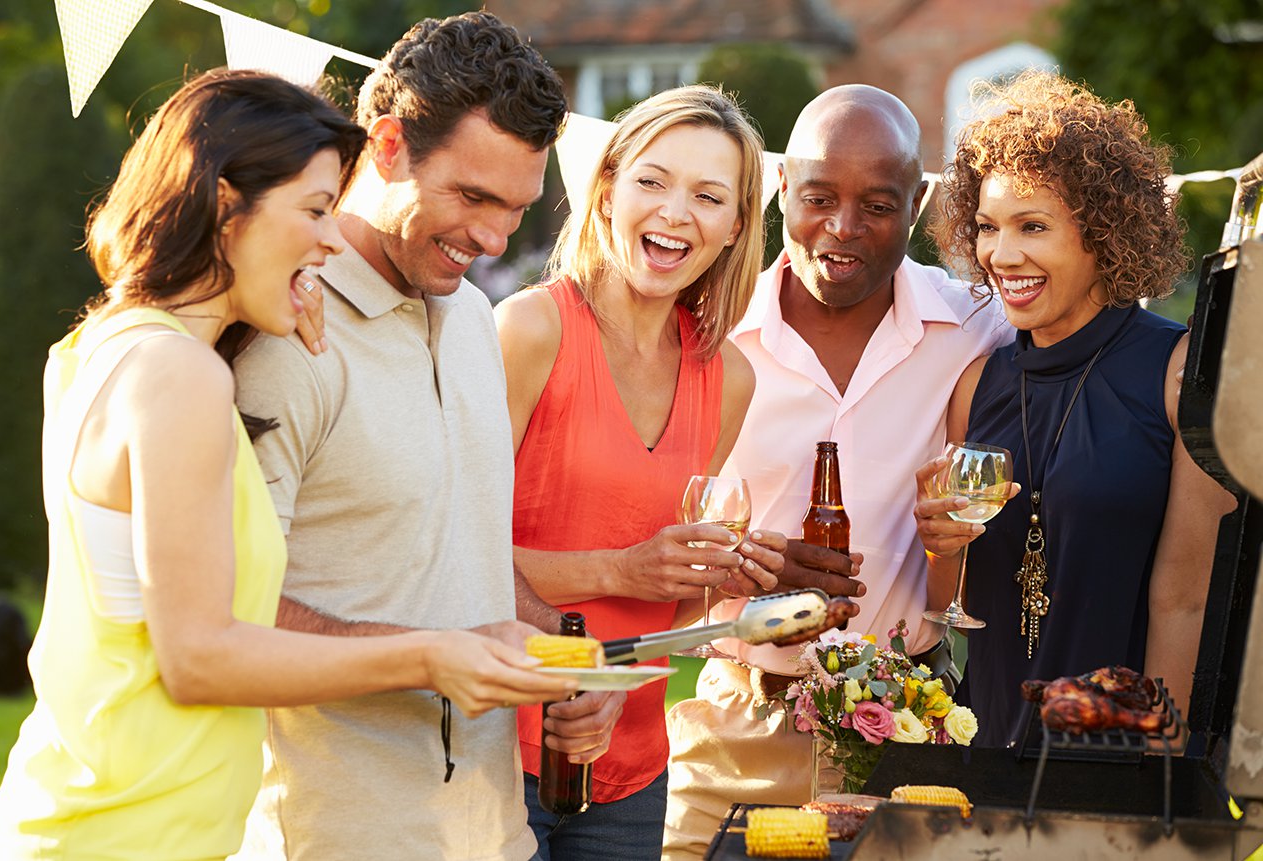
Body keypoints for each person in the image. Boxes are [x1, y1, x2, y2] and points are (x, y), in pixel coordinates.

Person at [0, 69, 579, 861]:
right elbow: (198, 656)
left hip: (103, 817)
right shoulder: (184, 376)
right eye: (313, 211)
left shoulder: (98, 350)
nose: (333, 241)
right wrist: (432, 653)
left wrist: (253, 304)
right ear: (225, 204)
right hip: (130, 833)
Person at [229, 14, 623, 861]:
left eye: (515, 210)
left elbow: (462, 545)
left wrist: (567, 655)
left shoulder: (477, 319)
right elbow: (232, 604)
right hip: (335, 835)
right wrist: (431, 655)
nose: (491, 240)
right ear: (388, 145)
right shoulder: (286, 332)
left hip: (495, 834)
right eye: (471, 197)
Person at [662, 85, 1012, 859]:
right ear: (783, 185)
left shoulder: (976, 329)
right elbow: (652, 538)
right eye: (818, 197)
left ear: (917, 203)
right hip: (739, 722)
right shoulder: (705, 333)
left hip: (908, 735)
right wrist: (740, 573)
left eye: (878, 205)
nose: (842, 229)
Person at [494, 85, 788, 859]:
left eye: (708, 196)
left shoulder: (729, 377)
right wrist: (625, 567)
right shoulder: (529, 329)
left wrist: (726, 579)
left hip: (633, 767)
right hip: (498, 753)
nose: (674, 211)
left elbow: (677, 605)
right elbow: (446, 551)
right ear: (607, 189)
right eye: (652, 181)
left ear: (733, 229)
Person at [913, 70, 1237, 749]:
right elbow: (955, 607)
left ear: (1104, 232)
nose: (1002, 255)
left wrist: (1160, 763)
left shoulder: (1177, 375)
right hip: (991, 748)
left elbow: (1186, 599)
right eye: (986, 227)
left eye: (1033, 226)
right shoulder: (979, 382)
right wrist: (941, 547)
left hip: (1118, 755)